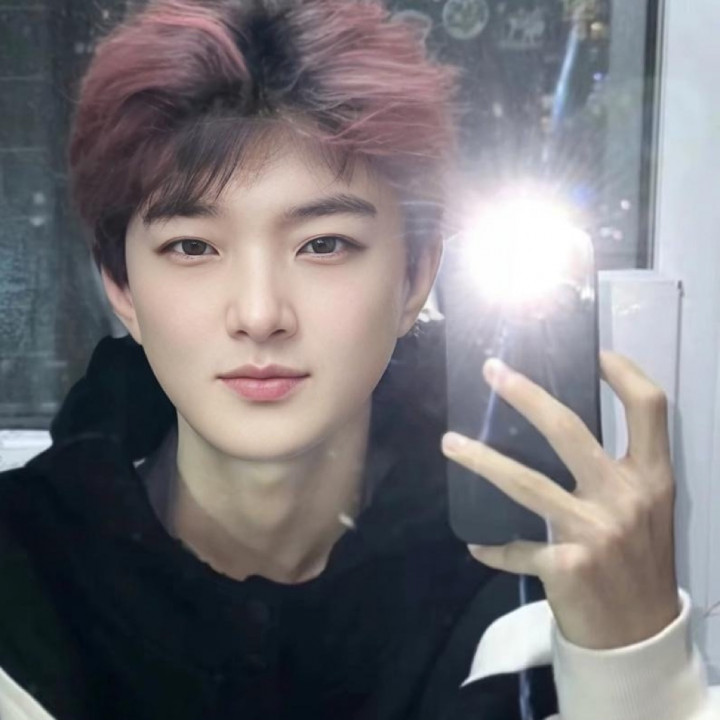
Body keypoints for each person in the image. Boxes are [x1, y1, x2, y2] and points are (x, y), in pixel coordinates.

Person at [0, 1, 717, 718]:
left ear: (416, 277)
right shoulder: (28, 576)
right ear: (121, 284)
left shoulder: (525, 576)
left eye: (324, 245)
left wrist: (637, 656)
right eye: (193, 247)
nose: (260, 314)